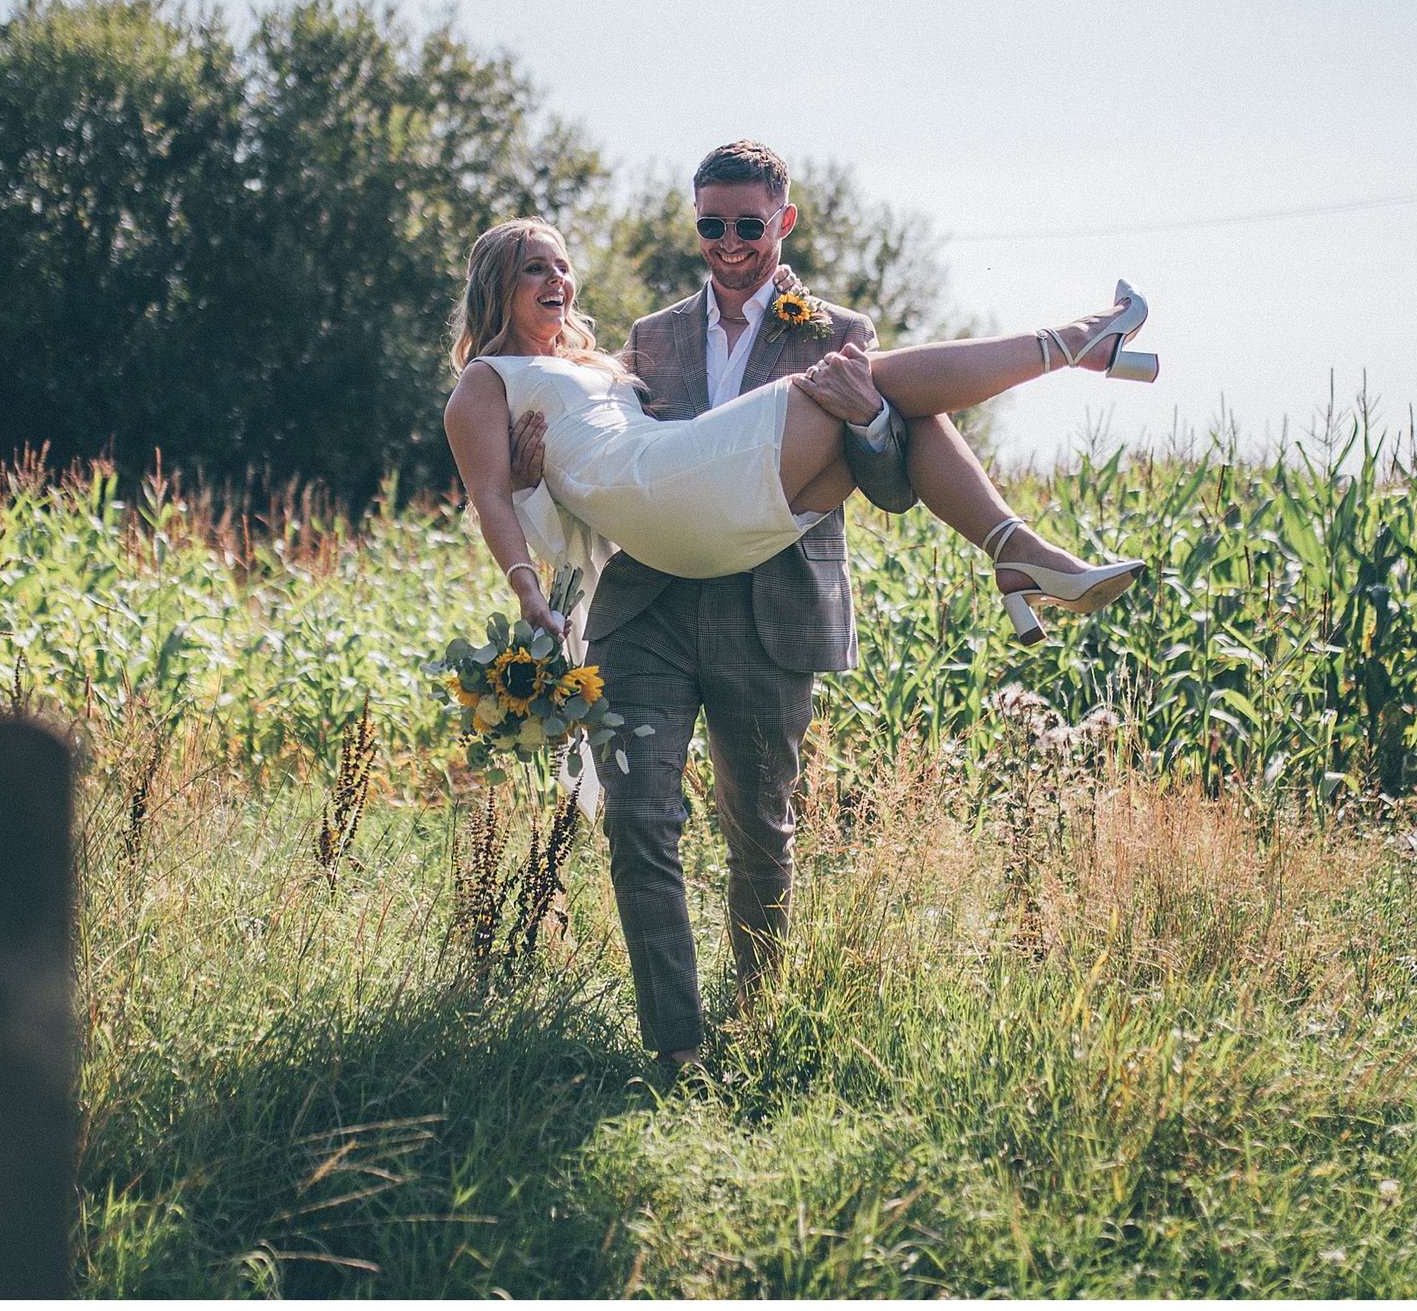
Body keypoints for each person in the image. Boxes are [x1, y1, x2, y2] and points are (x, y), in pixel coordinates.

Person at [441, 142, 1154, 1074]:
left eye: (746, 224)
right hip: (651, 600)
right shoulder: (644, 341)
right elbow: (562, 478)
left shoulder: (829, 326)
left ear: (783, 223)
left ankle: (760, 1025)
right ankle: (677, 1050)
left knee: (760, 834)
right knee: (640, 817)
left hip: (769, 598)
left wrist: (865, 422)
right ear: (695, 224)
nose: (727, 241)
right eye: (710, 224)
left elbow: (892, 482)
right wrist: (530, 498)